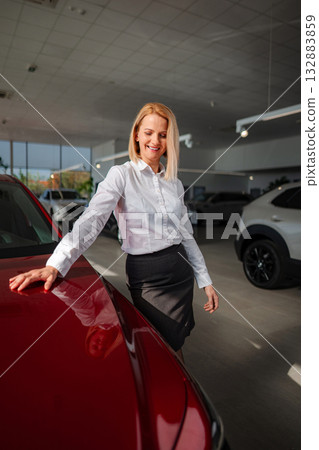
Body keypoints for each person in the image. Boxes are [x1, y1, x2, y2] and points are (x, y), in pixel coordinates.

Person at [9, 102, 218, 361]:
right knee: (156, 346)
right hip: (147, 276)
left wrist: (204, 279)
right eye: (149, 132)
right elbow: (92, 220)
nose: (156, 140)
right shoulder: (121, 175)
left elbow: (186, 234)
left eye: (163, 135)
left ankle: (183, 385)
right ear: (137, 135)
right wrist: (55, 265)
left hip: (179, 271)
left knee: (175, 342)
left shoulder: (173, 183)